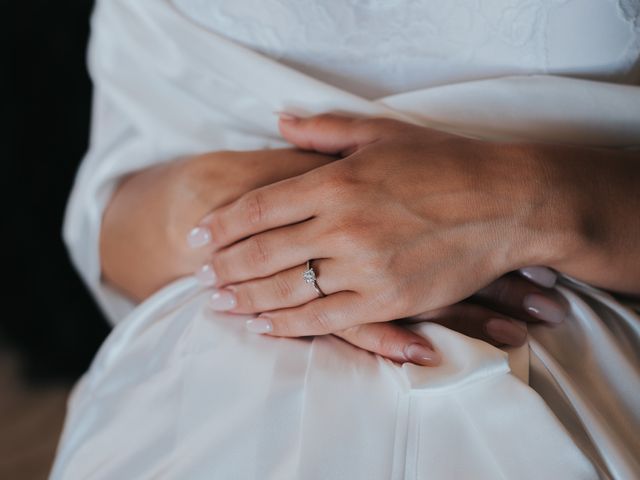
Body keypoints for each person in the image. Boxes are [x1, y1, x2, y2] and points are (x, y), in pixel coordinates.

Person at [51, 0, 640, 478]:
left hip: (583, 326)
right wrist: (218, 204)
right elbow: (109, 230)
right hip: (211, 360)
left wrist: (539, 200)